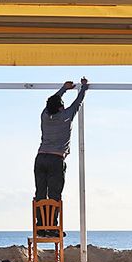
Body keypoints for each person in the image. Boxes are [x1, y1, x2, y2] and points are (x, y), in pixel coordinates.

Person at [33, 77, 89, 225]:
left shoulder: (44, 115)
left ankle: (41, 224)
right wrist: (83, 86)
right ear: (60, 108)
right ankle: (51, 226)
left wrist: (64, 89)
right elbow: (78, 101)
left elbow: (52, 101)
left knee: (40, 193)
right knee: (54, 195)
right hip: (56, 159)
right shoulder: (65, 115)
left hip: (41, 157)